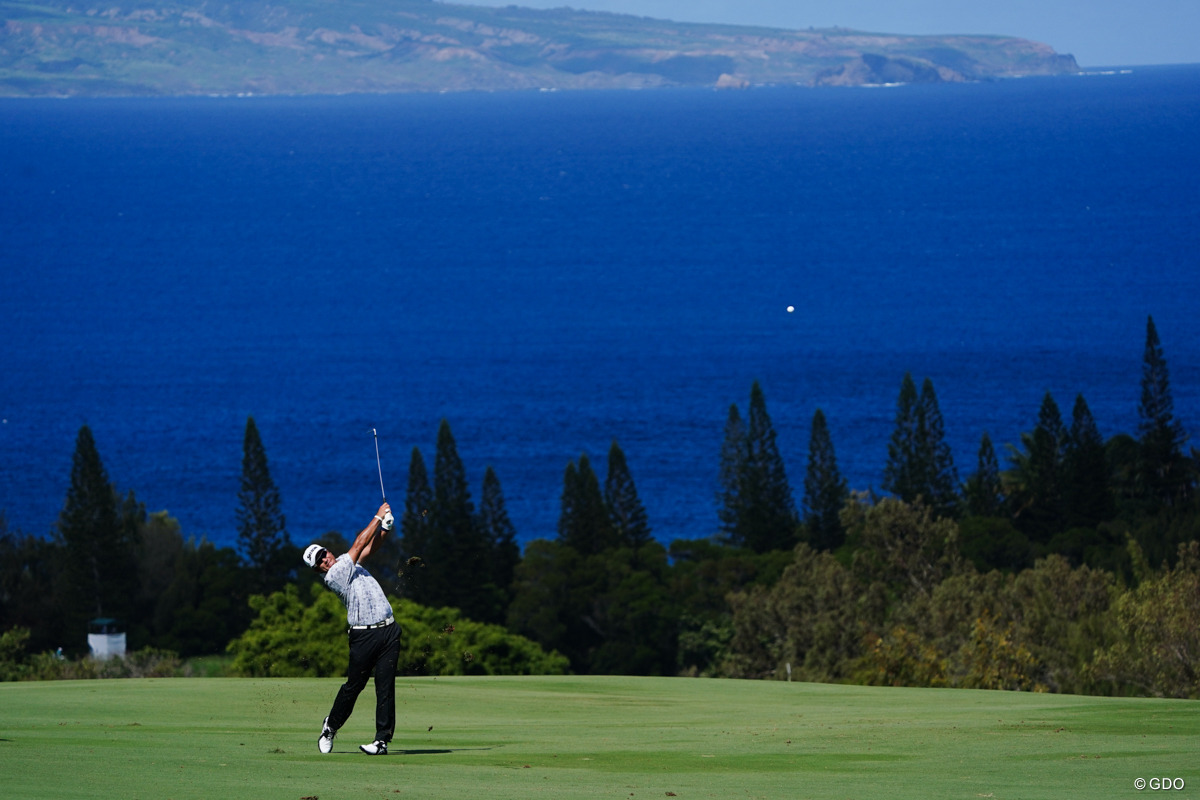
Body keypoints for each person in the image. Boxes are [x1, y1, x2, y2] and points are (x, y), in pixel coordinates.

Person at [302, 502, 401, 756]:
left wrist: (385, 530)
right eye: (320, 561)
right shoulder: (335, 575)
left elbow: (369, 548)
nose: (325, 560)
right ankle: (330, 727)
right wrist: (378, 516)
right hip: (363, 636)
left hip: (388, 631)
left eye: (324, 554)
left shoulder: (350, 565)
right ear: (317, 570)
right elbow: (358, 545)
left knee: (385, 686)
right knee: (354, 687)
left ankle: (381, 741)